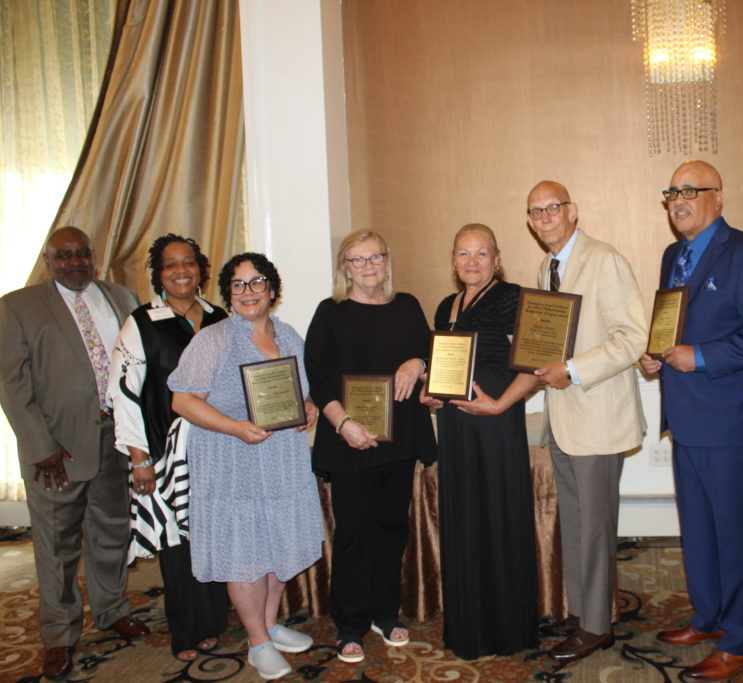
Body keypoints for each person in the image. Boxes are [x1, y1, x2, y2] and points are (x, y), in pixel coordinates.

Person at [639, 160, 743, 681]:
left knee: (734, 534)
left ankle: (742, 639)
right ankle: (709, 618)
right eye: (672, 192)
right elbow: (675, 328)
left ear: (718, 197)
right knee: (699, 531)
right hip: (686, 420)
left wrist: (700, 356)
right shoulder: (673, 256)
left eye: (691, 191)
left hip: (734, 425)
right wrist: (656, 355)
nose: (679, 200)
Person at [0, 226, 148, 679]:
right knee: (56, 546)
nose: (75, 262)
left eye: (82, 253)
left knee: (109, 532)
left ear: (94, 257)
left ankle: (111, 610)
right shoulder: (17, 307)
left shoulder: (122, 298)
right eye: (64, 256)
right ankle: (60, 635)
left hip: (113, 441)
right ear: (49, 260)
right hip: (55, 451)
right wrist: (40, 445)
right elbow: (11, 381)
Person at [169, 253, 323, 681]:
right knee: (246, 553)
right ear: (228, 294)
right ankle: (257, 643)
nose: (248, 292)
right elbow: (182, 401)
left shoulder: (290, 335)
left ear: (272, 289)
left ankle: (271, 625)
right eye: (238, 285)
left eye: (257, 283)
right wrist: (236, 428)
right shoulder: (213, 340)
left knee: (277, 543)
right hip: (232, 461)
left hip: (282, 460)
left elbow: (302, 392)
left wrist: (308, 408)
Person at [525, 181, 648, 662]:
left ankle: (597, 626)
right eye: (535, 212)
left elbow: (631, 338)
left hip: (597, 417)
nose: (544, 218)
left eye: (552, 208)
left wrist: (572, 370)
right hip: (565, 419)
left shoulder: (605, 259)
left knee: (595, 526)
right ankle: (582, 611)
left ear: (573, 211)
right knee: (576, 523)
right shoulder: (547, 266)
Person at [304, 230, 436, 664]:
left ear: (386, 260)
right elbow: (318, 379)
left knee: (391, 528)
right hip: (350, 441)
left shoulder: (408, 306)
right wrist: (343, 424)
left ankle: (385, 611)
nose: (367, 266)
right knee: (354, 533)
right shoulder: (330, 313)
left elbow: (430, 352)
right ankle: (349, 623)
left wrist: (417, 362)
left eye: (375, 257)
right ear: (345, 267)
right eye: (357, 260)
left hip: (397, 442)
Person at [107, 234, 228, 661]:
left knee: (214, 535)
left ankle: (216, 621)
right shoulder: (140, 323)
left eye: (189, 263)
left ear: (201, 269)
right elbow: (123, 393)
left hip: (219, 450)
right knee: (177, 543)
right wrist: (139, 457)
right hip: (163, 451)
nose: (181, 271)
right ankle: (187, 631)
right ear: (158, 274)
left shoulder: (219, 318)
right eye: (171, 265)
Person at [421, 223, 539, 659]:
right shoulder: (445, 306)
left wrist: (501, 404)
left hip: (494, 426)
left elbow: (534, 362)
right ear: (453, 260)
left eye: (481, 253)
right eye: (463, 253)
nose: (472, 262)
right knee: (465, 518)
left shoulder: (512, 298)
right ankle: (470, 628)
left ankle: (507, 630)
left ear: (497, 257)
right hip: (455, 429)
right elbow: (441, 369)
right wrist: (430, 392)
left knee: (498, 516)